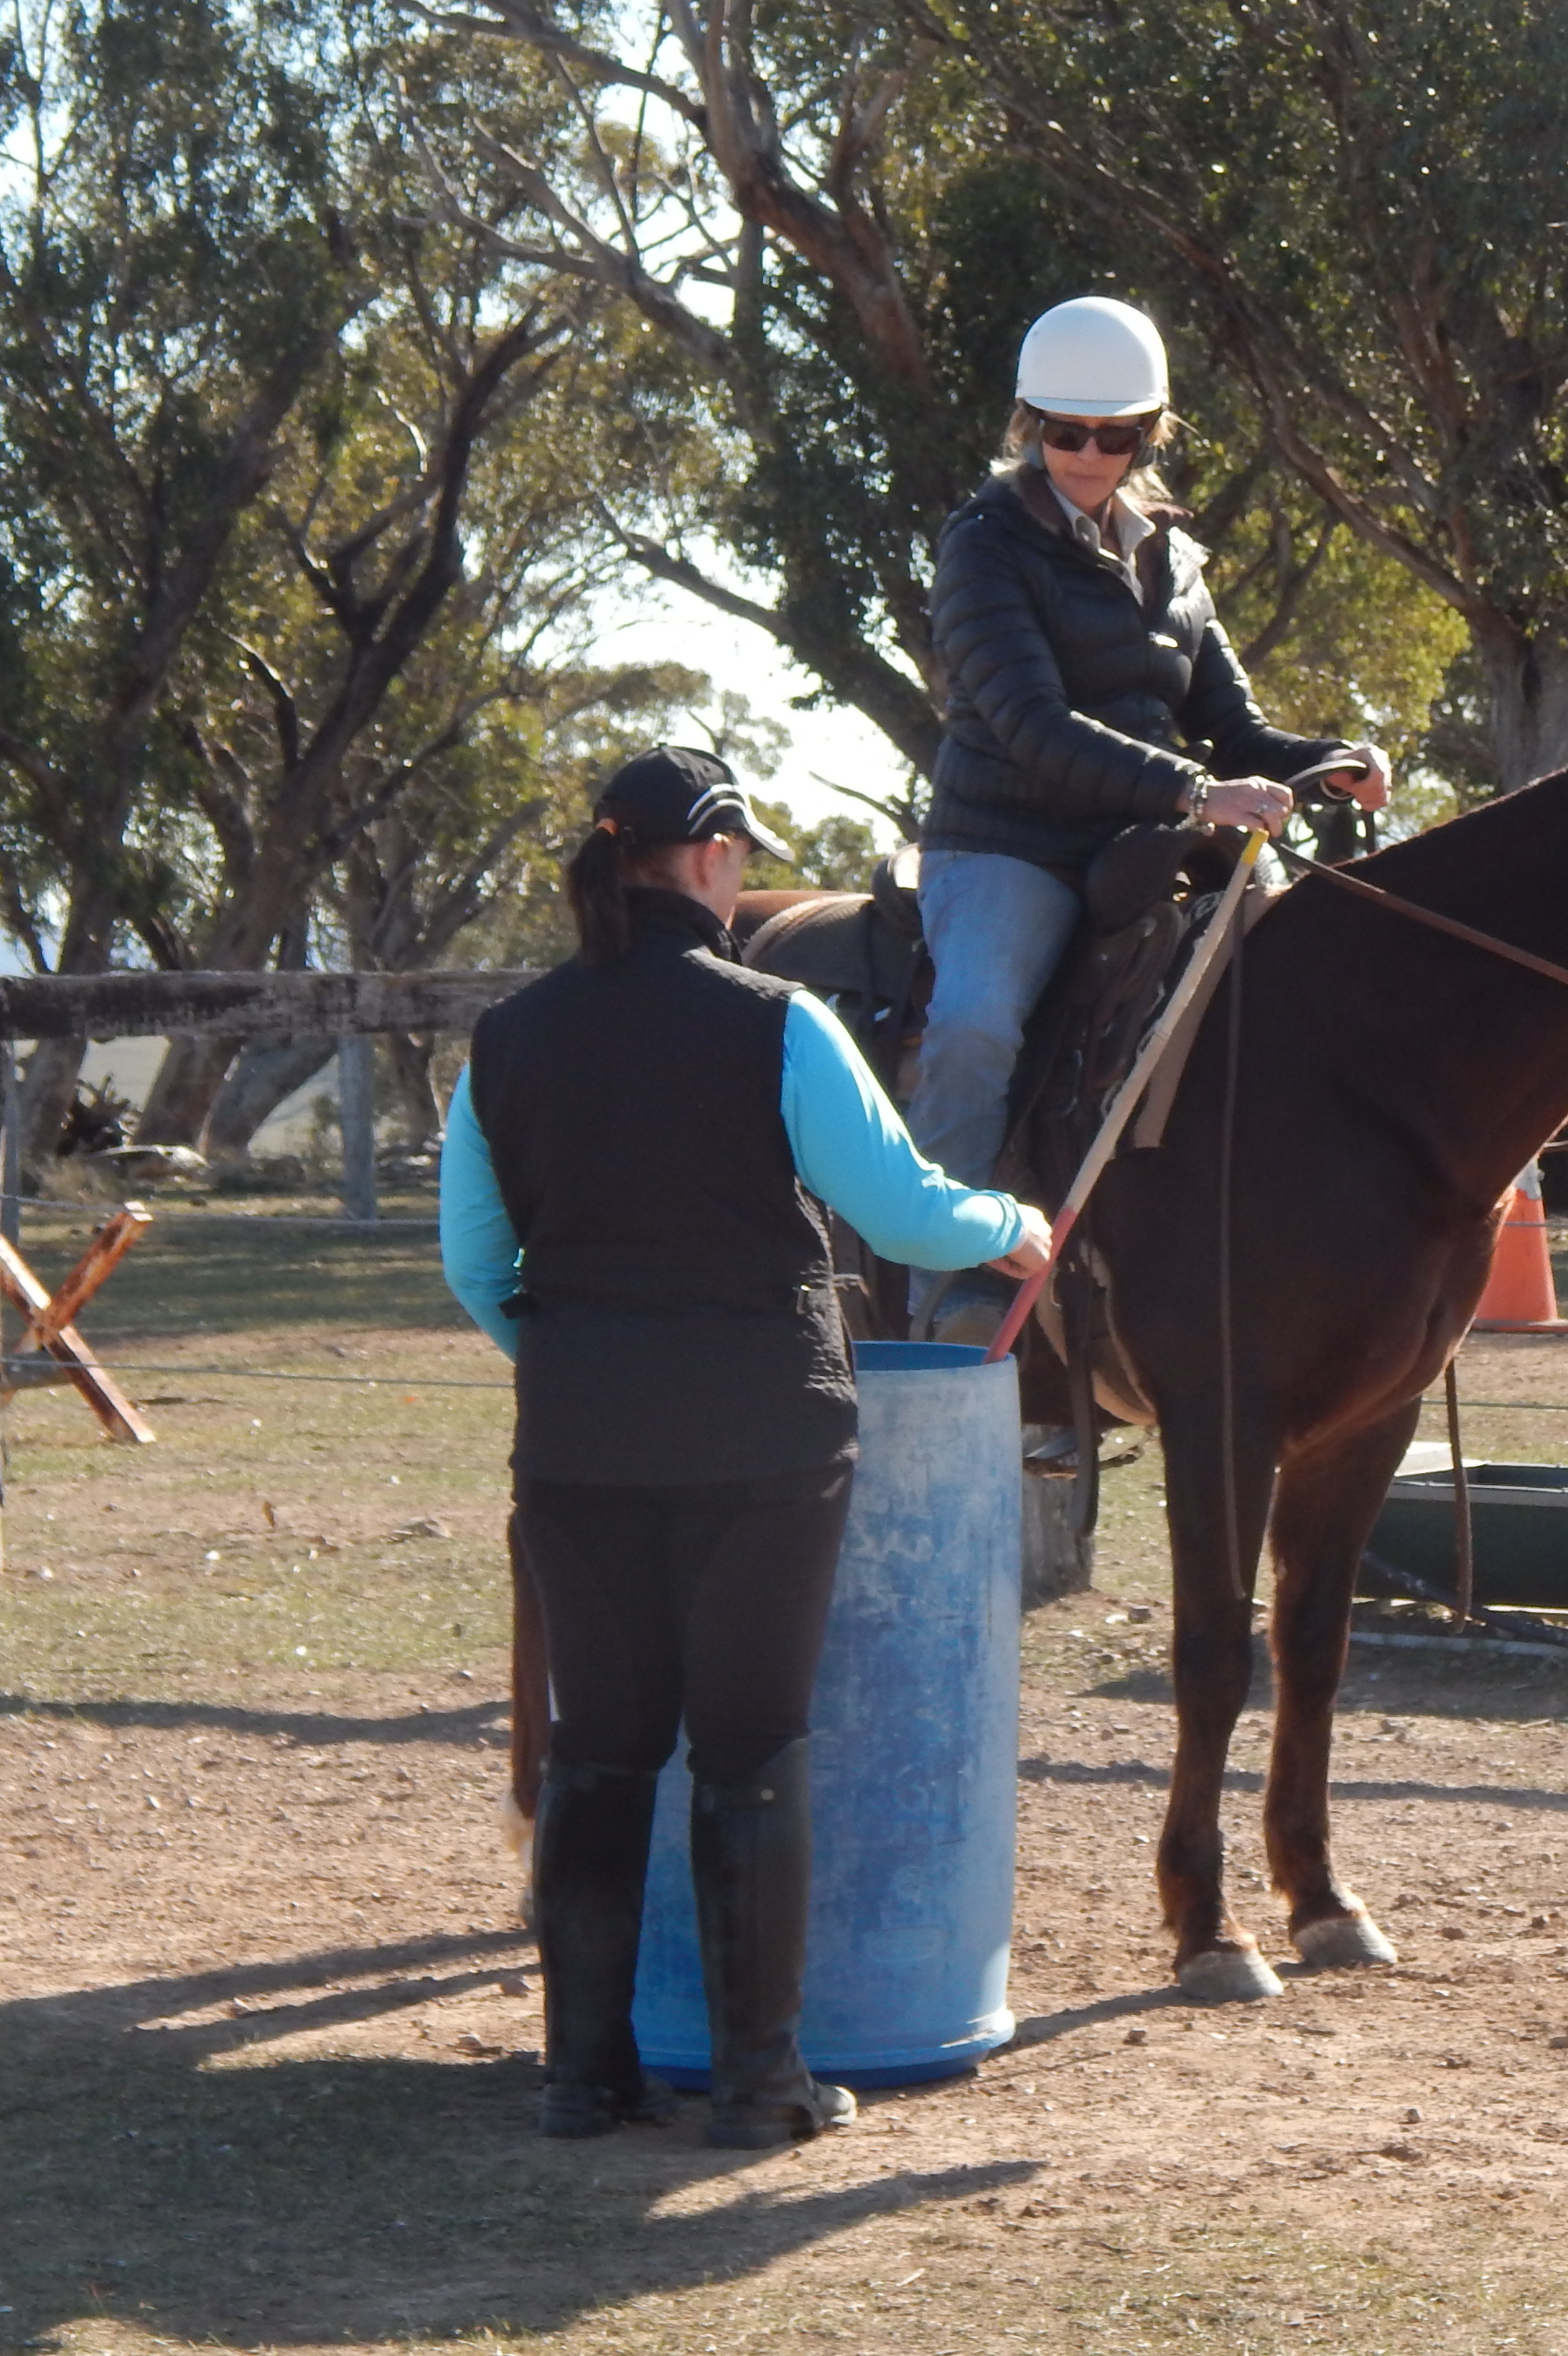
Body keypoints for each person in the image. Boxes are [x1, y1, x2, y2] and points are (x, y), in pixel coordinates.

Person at [440, 745, 1051, 2149]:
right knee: (750, 1746)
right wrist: (1009, 1225)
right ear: (713, 857)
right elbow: (898, 1209)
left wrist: (585, 1365)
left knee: (599, 1750)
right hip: (763, 1440)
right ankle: (760, 2082)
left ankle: (582, 2078)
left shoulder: (507, 1036)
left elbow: (476, 1265)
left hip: (579, 1442)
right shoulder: (779, 1022)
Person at [911, 294, 1391, 1339]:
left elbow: (1232, 726)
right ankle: (945, 1290)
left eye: (1115, 434)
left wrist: (1333, 762)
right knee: (976, 1026)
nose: (1089, 454)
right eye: (1065, 431)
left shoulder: (1173, 557)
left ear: (1150, 434)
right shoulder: (983, 544)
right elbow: (1031, 724)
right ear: (1031, 425)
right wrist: (1197, 794)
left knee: (1303, 995)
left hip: (1151, 839)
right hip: (1013, 844)